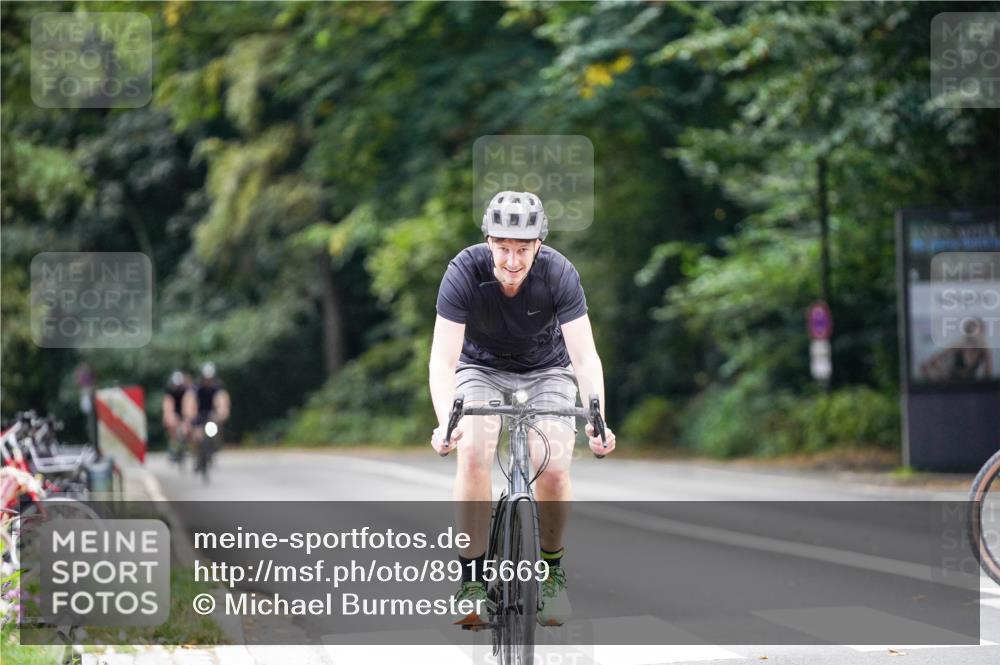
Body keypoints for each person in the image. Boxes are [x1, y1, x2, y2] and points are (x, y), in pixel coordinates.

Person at [429, 191, 617, 628]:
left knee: (552, 464)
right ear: (488, 242)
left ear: (538, 245)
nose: (512, 261)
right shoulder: (463, 271)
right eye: (502, 248)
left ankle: (551, 574)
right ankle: (472, 581)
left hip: (547, 371)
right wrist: (445, 423)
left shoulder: (559, 273)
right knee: (472, 451)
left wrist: (598, 420)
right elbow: (442, 360)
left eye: (523, 249)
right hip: (480, 369)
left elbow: (585, 358)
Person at [183, 362, 231, 470]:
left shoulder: (218, 387)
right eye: (206, 379)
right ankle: (197, 455)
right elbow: (189, 401)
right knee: (196, 435)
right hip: (198, 414)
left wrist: (222, 412)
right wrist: (189, 415)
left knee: (215, 427)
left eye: (210, 379)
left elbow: (222, 400)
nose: (208, 381)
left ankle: (214, 446)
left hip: (211, 414)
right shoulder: (195, 387)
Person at [163, 370, 191, 462]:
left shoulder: (187, 392)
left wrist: (187, 418)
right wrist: (168, 416)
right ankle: (173, 447)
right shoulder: (169, 392)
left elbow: (189, 405)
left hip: (184, 412)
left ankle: (185, 446)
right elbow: (167, 406)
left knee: (187, 428)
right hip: (174, 413)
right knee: (172, 425)